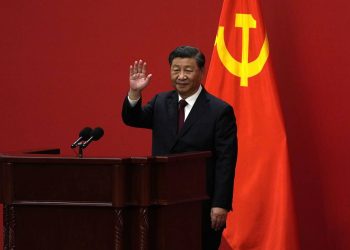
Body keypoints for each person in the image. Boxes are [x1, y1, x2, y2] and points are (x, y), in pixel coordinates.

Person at [122, 45, 237, 250]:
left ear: (201, 72)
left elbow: (226, 161)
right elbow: (133, 118)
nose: (181, 76)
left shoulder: (219, 111)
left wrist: (220, 204)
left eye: (188, 70)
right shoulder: (160, 102)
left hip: (200, 203)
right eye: (176, 70)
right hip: (162, 200)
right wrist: (135, 92)